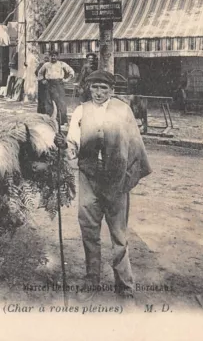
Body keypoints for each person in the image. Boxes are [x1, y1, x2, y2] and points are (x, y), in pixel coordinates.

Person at [54, 70, 152, 304]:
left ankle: (125, 283)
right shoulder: (81, 110)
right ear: (88, 88)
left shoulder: (123, 110)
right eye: (95, 87)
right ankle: (92, 280)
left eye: (104, 88)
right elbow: (73, 144)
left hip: (116, 180)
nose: (98, 93)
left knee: (118, 234)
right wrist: (64, 145)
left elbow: (135, 145)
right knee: (89, 231)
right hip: (89, 178)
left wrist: (127, 178)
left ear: (112, 90)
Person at [37, 50, 74, 126]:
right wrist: (43, 80)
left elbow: (71, 72)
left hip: (58, 84)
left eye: (55, 55)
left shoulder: (62, 64)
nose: (53, 57)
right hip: (49, 84)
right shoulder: (46, 65)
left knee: (60, 102)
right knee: (48, 102)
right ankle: (50, 121)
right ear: (50, 56)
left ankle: (62, 121)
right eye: (52, 56)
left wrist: (66, 79)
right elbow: (40, 73)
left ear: (58, 56)